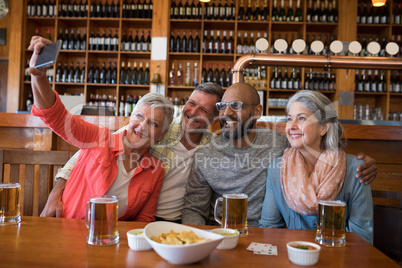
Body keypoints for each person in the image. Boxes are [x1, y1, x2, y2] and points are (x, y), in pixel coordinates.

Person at [182, 83, 378, 228]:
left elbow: (321, 145)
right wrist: (198, 241)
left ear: (257, 111)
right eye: (222, 106)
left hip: (267, 239)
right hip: (221, 236)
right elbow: (193, 210)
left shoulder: (281, 145)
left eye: (236, 105)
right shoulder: (204, 155)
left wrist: (362, 164)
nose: (227, 113)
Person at [28, 36, 174, 221]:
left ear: (162, 135)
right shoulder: (100, 138)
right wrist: (38, 77)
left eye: (153, 124)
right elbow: (56, 117)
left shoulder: (156, 170)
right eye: (139, 116)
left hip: (110, 242)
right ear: (130, 117)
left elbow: (143, 220)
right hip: (68, 231)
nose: (142, 126)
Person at [40, 82, 224, 222]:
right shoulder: (153, 128)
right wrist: (55, 194)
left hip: (173, 220)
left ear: (215, 118)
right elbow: (84, 154)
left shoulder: (212, 146)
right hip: (137, 217)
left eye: (204, 110)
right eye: (191, 103)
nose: (193, 112)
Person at [258, 90, 373, 244]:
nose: (291, 126)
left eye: (301, 118)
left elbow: (362, 239)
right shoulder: (277, 168)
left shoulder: (356, 169)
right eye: (289, 118)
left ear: (323, 127)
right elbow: (268, 229)